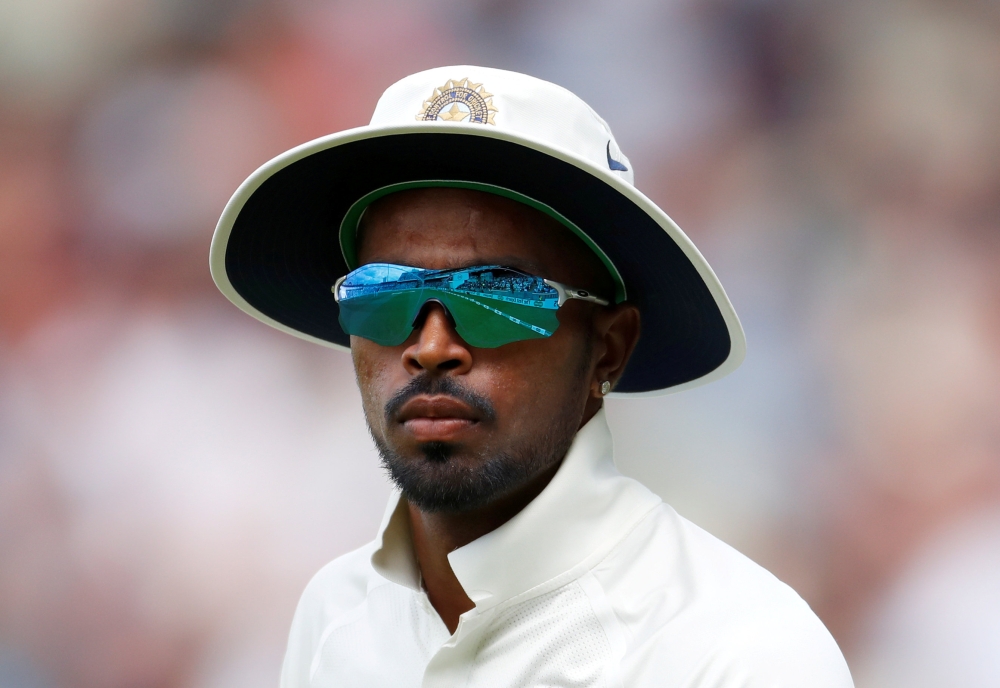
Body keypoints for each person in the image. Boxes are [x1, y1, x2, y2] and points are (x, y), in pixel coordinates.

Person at [210, 66, 854, 687]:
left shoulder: (739, 657)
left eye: (499, 295)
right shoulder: (335, 616)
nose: (431, 346)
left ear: (608, 349)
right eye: (383, 292)